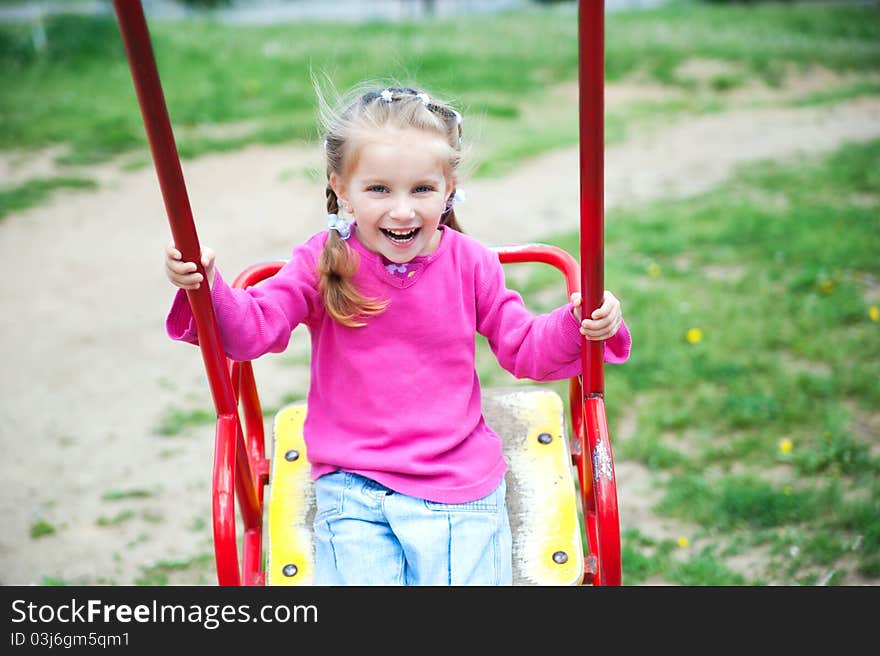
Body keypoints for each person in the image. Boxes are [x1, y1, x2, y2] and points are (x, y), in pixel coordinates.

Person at [164, 84, 631, 586]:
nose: (403, 211)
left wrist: (578, 323)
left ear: (449, 187)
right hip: (352, 484)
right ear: (341, 187)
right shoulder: (323, 261)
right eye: (379, 189)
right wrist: (207, 288)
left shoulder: (470, 263)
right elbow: (254, 329)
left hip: (456, 481)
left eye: (422, 190)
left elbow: (524, 348)